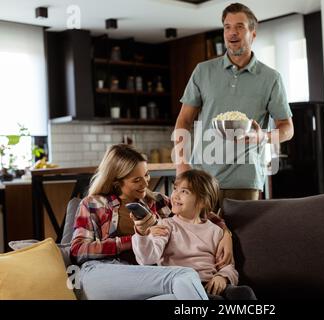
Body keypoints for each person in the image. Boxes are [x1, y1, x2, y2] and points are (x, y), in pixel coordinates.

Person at [70, 144, 232, 300]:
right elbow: (78, 251)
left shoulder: (156, 201)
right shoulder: (92, 203)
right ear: (116, 181)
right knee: (185, 275)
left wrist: (226, 234)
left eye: (147, 175)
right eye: (137, 180)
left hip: (143, 275)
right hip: (100, 273)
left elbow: (200, 211)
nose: (146, 183)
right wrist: (134, 239)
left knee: (176, 294)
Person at [174, 2, 294, 203]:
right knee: (201, 235)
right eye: (227, 27)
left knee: (242, 235)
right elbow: (183, 121)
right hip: (204, 180)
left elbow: (287, 129)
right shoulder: (203, 72)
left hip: (246, 182)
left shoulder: (271, 78)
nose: (232, 33)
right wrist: (182, 165)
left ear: (253, 34)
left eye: (239, 27)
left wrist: (262, 136)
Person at [132, 169, 256, 300]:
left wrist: (223, 277)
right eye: (175, 189)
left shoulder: (216, 231)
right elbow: (147, 258)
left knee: (244, 293)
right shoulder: (166, 225)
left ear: (203, 201)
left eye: (184, 191)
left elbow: (228, 266)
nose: (175, 195)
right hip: (183, 286)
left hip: (211, 284)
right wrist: (142, 234)